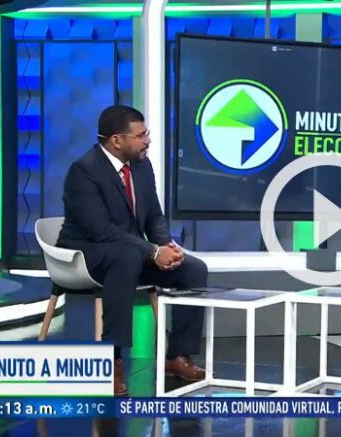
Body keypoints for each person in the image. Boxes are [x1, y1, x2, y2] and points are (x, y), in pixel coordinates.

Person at [57, 105, 208, 396]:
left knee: (192, 268)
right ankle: (112, 362)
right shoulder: (84, 171)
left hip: (130, 251)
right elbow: (100, 230)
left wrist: (165, 246)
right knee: (124, 260)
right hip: (86, 254)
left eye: (146, 134)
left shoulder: (141, 165)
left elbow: (153, 216)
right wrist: (152, 252)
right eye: (141, 135)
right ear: (116, 140)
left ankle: (177, 356)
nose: (148, 141)